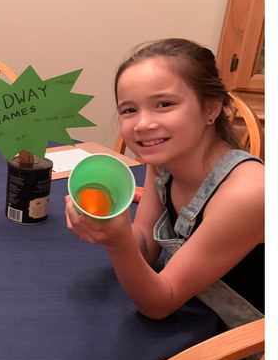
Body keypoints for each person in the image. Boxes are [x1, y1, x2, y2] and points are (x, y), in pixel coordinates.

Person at [65, 39, 264, 329]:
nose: (143, 124)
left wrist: (119, 242)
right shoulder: (163, 164)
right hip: (199, 309)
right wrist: (109, 225)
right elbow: (145, 246)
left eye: (164, 104)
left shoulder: (247, 193)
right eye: (129, 110)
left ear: (211, 108)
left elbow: (160, 304)